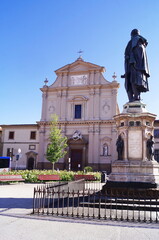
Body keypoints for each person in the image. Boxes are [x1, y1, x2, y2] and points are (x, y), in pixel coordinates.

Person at [121, 29, 150, 102]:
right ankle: (137, 97)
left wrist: (131, 61)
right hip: (139, 67)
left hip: (133, 65)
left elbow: (132, 53)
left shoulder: (134, 40)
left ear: (132, 34)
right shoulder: (141, 42)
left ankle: (135, 97)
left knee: (132, 81)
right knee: (136, 82)